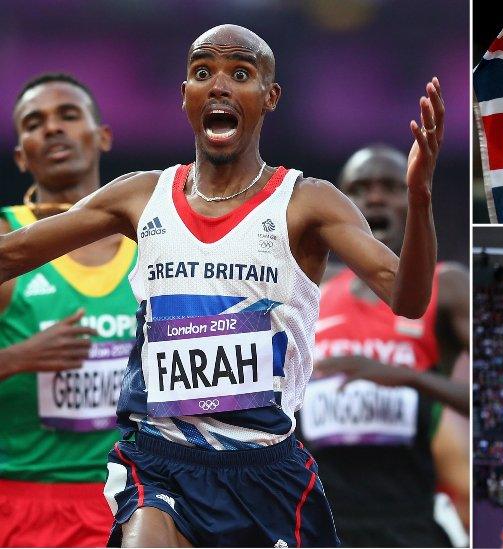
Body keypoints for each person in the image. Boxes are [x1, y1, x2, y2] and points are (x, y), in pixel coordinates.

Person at [0, 24, 444, 548]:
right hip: (160, 463)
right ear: (184, 96)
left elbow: (409, 299)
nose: (218, 85)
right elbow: (14, 253)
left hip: (265, 468)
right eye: (202, 72)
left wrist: (418, 200)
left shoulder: (309, 203)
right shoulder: (141, 196)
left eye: (241, 73)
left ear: (269, 97)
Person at [298, 144, 469, 546]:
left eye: (390, 186)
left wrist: (401, 376)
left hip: (407, 522)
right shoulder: (312, 289)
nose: (374, 197)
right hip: (319, 523)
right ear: (339, 206)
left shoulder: (447, 286)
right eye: (359, 189)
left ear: (413, 199)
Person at [0, 73, 138, 547]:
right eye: (35, 123)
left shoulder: (152, 245)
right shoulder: (5, 245)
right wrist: (17, 359)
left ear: (102, 135)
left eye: (69, 115)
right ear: (21, 154)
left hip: (134, 501)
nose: (53, 128)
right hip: (22, 503)